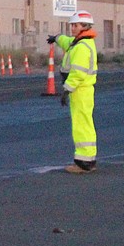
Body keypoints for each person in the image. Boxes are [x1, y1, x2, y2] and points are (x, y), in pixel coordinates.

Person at [47, 10, 98, 173]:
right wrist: (56, 38)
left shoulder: (82, 47)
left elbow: (78, 73)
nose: (72, 28)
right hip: (82, 90)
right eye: (72, 25)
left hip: (80, 90)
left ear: (85, 26)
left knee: (81, 125)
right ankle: (87, 160)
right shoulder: (79, 42)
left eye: (75, 25)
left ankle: (83, 163)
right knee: (84, 123)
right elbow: (67, 41)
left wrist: (66, 90)